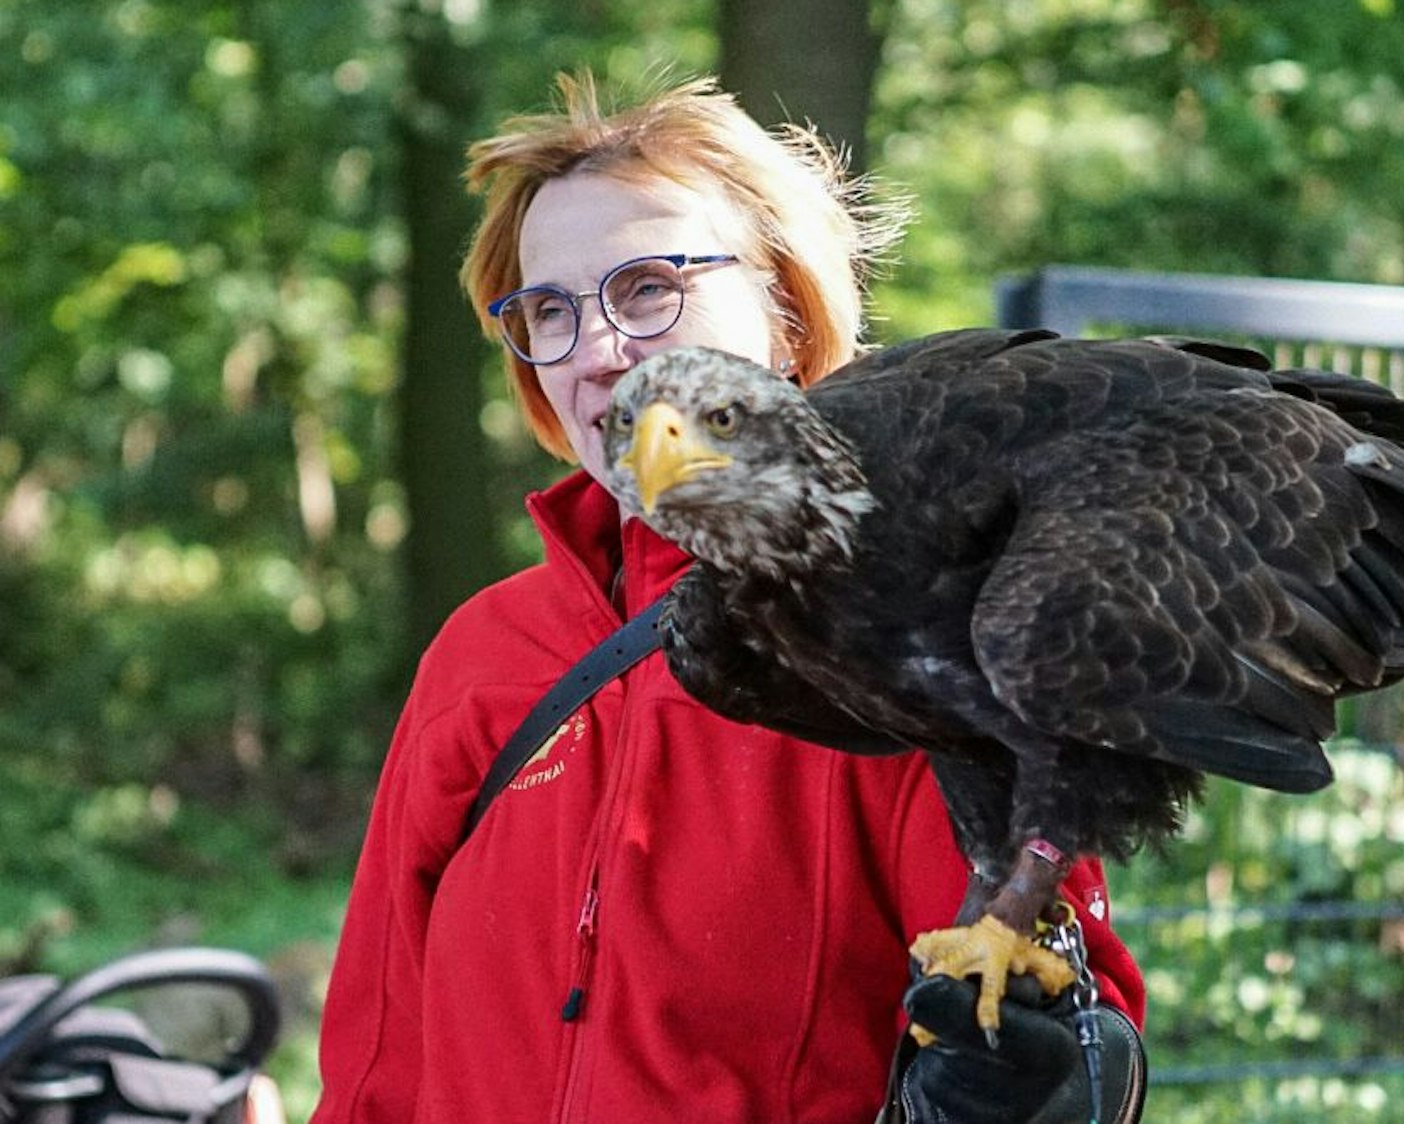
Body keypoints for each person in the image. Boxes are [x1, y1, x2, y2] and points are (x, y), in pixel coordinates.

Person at [310, 71, 1146, 1123]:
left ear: (788, 318)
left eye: (648, 286)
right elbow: (376, 1055)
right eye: (549, 310)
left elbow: (1065, 1021)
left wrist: (1032, 1076)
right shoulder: (484, 652)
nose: (599, 351)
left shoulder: (908, 632)